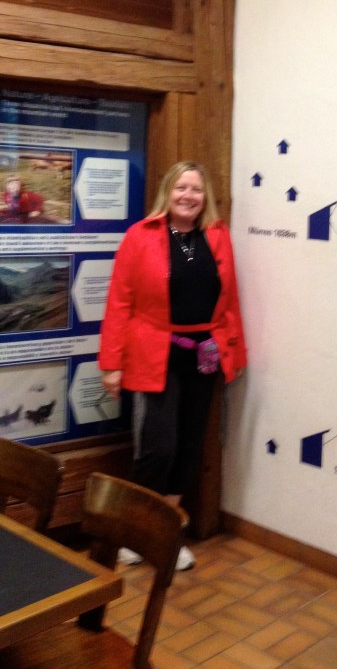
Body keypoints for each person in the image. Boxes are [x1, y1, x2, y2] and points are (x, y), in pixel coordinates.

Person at [98, 161, 246, 570]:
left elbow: (229, 302)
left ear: (205, 197)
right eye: (181, 187)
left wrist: (234, 353)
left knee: (189, 446)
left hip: (204, 356)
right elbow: (119, 302)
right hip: (154, 353)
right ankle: (135, 531)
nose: (188, 196)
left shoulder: (217, 236)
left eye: (196, 189)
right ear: (168, 191)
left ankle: (167, 531)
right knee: (157, 447)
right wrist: (111, 363)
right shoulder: (140, 236)